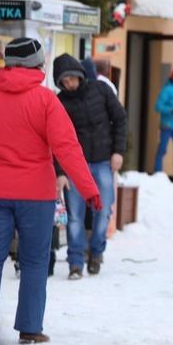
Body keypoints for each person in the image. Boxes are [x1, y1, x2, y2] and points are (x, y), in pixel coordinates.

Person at [0, 37, 100, 344]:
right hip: (35, 195)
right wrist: (88, 189)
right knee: (35, 260)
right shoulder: (46, 101)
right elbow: (67, 147)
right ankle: (29, 328)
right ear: (36, 64)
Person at [53, 53, 127, 280]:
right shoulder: (59, 102)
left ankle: (95, 253)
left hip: (104, 161)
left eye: (72, 79)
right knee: (74, 215)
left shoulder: (101, 90)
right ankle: (75, 261)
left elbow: (120, 118)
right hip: (75, 166)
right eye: (64, 82)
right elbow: (55, 139)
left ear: (80, 75)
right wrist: (61, 172)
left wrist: (118, 151)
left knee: (103, 212)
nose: (69, 84)